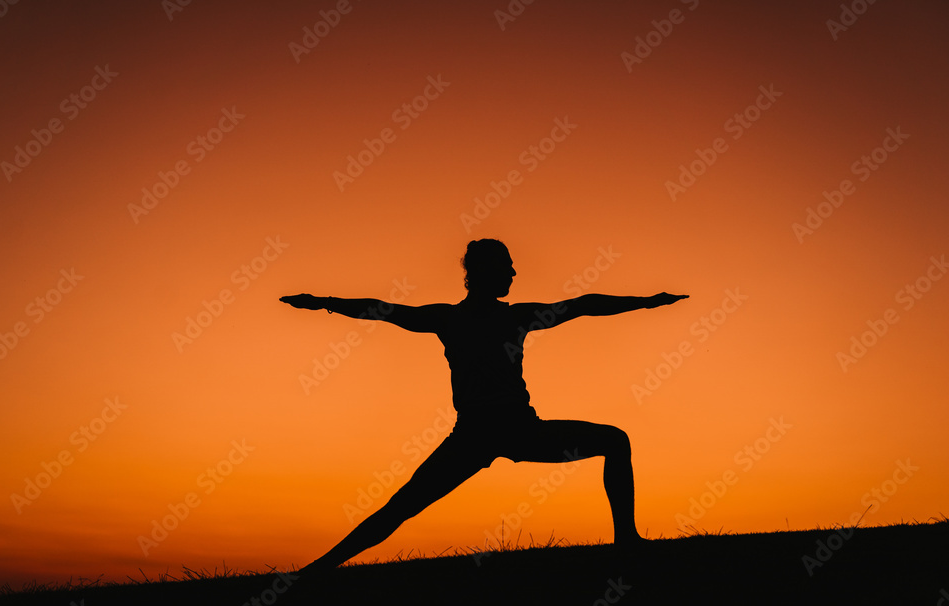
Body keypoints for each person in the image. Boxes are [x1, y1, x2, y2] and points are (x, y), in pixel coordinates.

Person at [280, 239, 688, 572]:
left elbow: (585, 303)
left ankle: (627, 541)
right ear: (483, 272)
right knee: (403, 505)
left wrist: (647, 301)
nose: (513, 273)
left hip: (508, 431)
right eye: (507, 266)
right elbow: (381, 311)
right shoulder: (468, 318)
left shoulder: (487, 317)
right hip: (485, 434)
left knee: (614, 441)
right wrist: (322, 301)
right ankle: (320, 567)